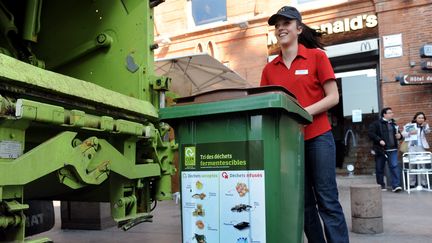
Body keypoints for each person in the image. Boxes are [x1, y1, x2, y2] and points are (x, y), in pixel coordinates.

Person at [260, 6, 349, 243]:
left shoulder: (316, 57)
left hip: (318, 138)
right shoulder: (269, 69)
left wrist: (300, 113)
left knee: (327, 200)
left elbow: (333, 97)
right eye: (277, 25)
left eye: (286, 23)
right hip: (289, 144)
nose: (280, 28)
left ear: (299, 28)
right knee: (304, 203)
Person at [368, 107, 403, 192]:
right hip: (381, 150)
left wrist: (400, 136)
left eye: (392, 112)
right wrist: (379, 140)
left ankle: (395, 186)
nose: (392, 114)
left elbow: (399, 135)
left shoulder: (393, 124)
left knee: (394, 166)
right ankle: (381, 185)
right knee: (380, 167)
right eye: (390, 112)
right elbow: (371, 133)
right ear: (384, 114)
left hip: (393, 149)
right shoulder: (376, 123)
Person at [401, 112, 430, 188]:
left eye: (422, 118)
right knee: (412, 164)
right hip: (412, 147)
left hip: (421, 147)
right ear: (415, 118)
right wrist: (410, 133)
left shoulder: (424, 125)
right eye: (419, 118)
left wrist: (424, 127)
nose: (421, 119)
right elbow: (403, 134)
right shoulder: (410, 125)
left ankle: (424, 183)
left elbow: (428, 132)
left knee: (422, 164)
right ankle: (412, 183)